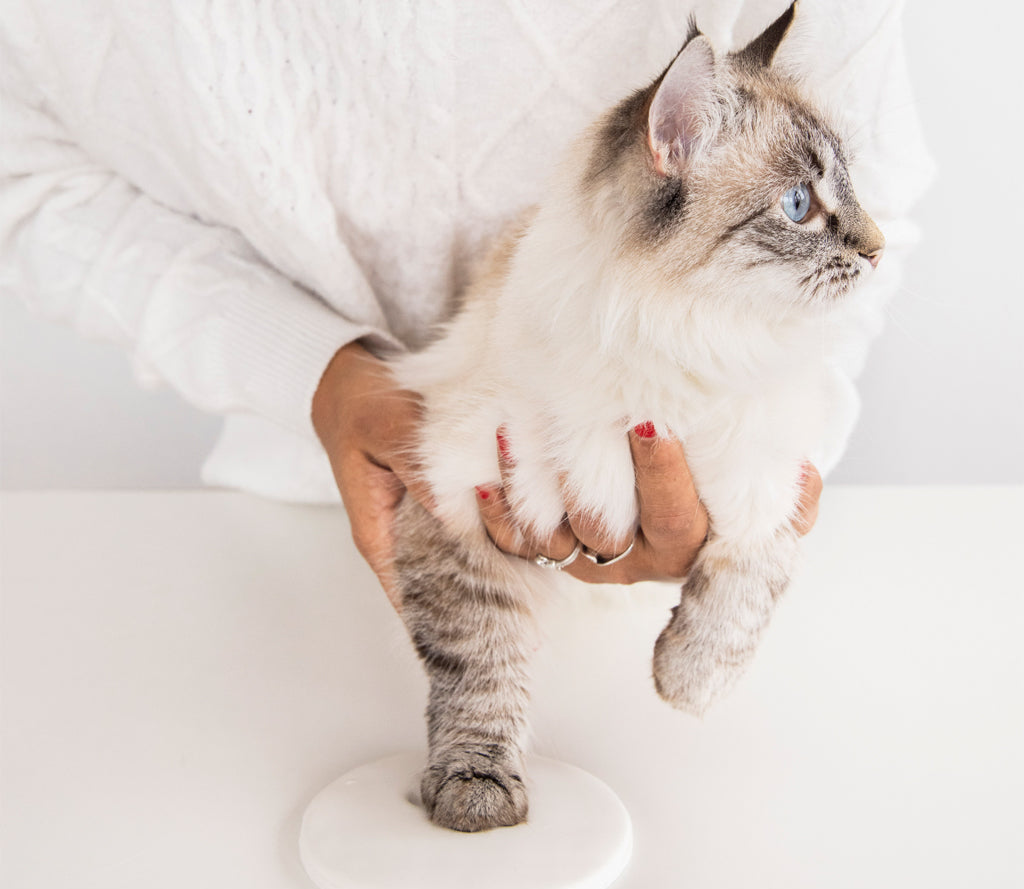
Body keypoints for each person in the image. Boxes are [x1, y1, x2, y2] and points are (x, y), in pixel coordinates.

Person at [0, 2, 931, 598]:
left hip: (691, 532)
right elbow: (27, 176)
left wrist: (752, 474)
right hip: (295, 533)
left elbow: (872, 204)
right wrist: (307, 369)